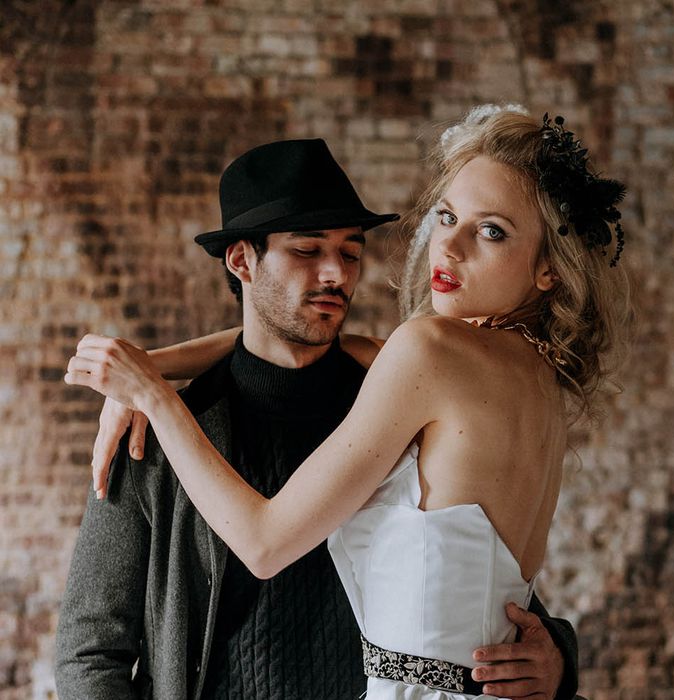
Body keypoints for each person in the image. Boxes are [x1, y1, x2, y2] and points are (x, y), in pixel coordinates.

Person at [56, 132, 580, 700]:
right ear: (241, 260)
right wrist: (151, 380)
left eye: (351, 253)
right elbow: (90, 654)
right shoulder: (154, 433)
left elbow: (470, 566)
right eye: (308, 251)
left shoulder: (394, 392)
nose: (336, 274)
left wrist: (553, 656)